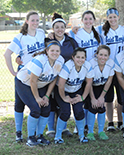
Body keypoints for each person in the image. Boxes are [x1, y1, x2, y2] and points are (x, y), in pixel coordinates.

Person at [3, 11, 45, 142]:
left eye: (37, 20)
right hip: (24, 75)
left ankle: (38, 134)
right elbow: (7, 54)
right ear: (26, 21)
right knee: (19, 104)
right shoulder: (21, 37)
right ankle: (18, 132)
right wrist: (12, 72)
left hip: (38, 75)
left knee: (39, 105)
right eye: (32, 20)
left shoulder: (41, 33)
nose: (35, 23)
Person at [15, 40, 64, 146]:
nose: (55, 53)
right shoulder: (40, 60)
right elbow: (32, 81)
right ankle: (30, 137)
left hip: (40, 84)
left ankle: (40, 135)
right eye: (52, 51)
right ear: (47, 51)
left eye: (57, 51)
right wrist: (37, 98)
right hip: (24, 83)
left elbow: (53, 79)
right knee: (36, 109)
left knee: (46, 108)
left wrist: (46, 96)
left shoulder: (60, 60)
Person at [96, 8, 124, 131]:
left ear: (118, 17)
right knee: (109, 97)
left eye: (114, 17)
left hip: (121, 67)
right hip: (108, 67)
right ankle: (110, 122)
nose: (112, 19)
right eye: (110, 17)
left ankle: (120, 122)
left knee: (121, 97)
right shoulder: (101, 30)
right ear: (107, 18)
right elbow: (87, 30)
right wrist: (73, 30)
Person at [46, 12, 78, 138]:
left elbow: (77, 57)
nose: (59, 29)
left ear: (65, 28)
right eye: (57, 27)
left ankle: (63, 128)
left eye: (62, 27)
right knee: (51, 102)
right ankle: (50, 129)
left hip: (67, 77)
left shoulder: (71, 41)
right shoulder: (48, 41)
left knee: (63, 102)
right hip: (51, 77)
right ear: (53, 29)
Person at [54, 47, 92, 144]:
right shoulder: (68, 66)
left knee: (79, 111)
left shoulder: (87, 66)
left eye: (82, 57)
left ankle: (82, 136)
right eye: (78, 57)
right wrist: (64, 97)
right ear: (73, 57)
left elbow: (88, 83)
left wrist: (82, 97)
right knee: (65, 111)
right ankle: (58, 136)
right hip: (62, 90)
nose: (80, 59)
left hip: (76, 89)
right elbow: (61, 84)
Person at [85, 45, 114, 141]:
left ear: (109, 56)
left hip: (103, 87)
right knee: (92, 107)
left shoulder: (111, 63)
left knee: (101, 107)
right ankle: (90, 132)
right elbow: (88, 83)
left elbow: (109, 81)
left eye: (105, 55)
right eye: (101, 54)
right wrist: (93, 98)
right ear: (96, 54)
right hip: (90, 87)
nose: (103, 57)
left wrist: (102, 97)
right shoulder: (91, 64)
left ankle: (101, 131)